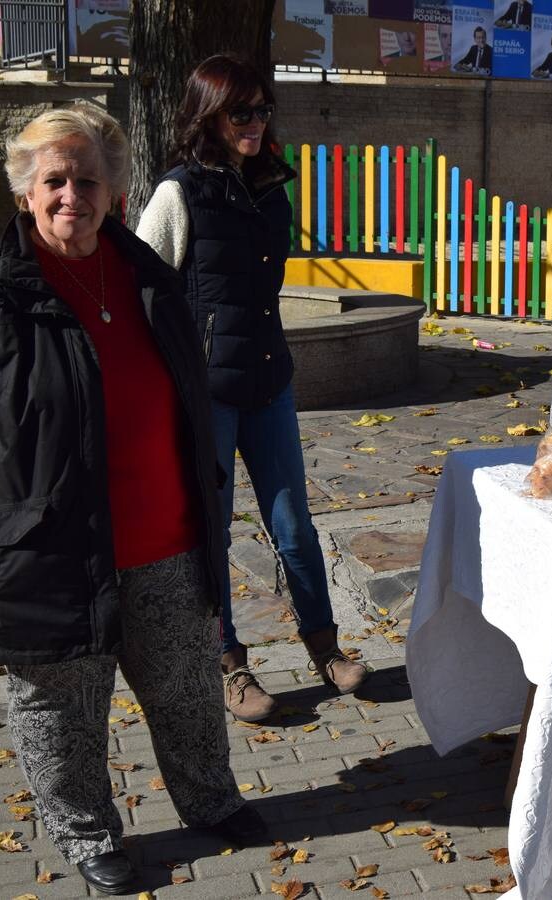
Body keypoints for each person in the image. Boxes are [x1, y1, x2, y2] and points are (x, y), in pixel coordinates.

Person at [0, 104, 266, 896]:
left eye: (88, 180)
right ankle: (87, 834)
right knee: (59, 719)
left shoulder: (146, 277)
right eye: (55, 181)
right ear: (26, 194)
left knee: (190, 692)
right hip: (48, 552)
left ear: (115, 192)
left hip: (165, 536)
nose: (73, 195)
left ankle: (211, 801)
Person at [136, 55, 367, 724]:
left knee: (294, 523)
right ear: (210, 115)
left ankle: (324, 648)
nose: (256, 122)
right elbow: (145, 287)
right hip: (207, 395)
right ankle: (230, 667)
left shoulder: (271, 190)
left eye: (264, 110)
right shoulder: (179, 194)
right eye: (242, 112)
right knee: (212, 531)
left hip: (270, 383)